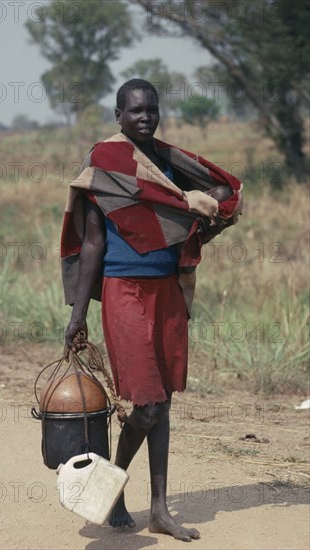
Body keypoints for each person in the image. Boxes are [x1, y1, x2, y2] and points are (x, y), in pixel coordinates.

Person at [62, 79, 242, 542]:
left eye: (152, 110)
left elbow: (219, 195)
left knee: (163, 401)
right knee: (148, 404)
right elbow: (92, 244)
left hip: (167, 291)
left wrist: (204, 209)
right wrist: (78, 314)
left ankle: (159, 508)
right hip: (124, 291)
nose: (146, 117)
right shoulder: (106, 164)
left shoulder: (168, 166)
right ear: (118, 116)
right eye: (136, 111)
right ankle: (111, 489)